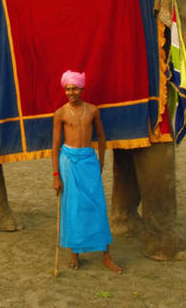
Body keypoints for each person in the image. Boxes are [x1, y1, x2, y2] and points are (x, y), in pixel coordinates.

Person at [52, 69, 123, 274]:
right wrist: (56, 175)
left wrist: (100, 162)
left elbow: (101, 137)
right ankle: (75, 253)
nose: (71, 92)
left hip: (89, 161)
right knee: (73, 207)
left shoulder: (93, 110)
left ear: (82, 88)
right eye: (68, 88)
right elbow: (55, 145)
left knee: (97, 207)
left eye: (74, 88)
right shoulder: (60, 113)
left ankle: (106, 256)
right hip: (68, 162)